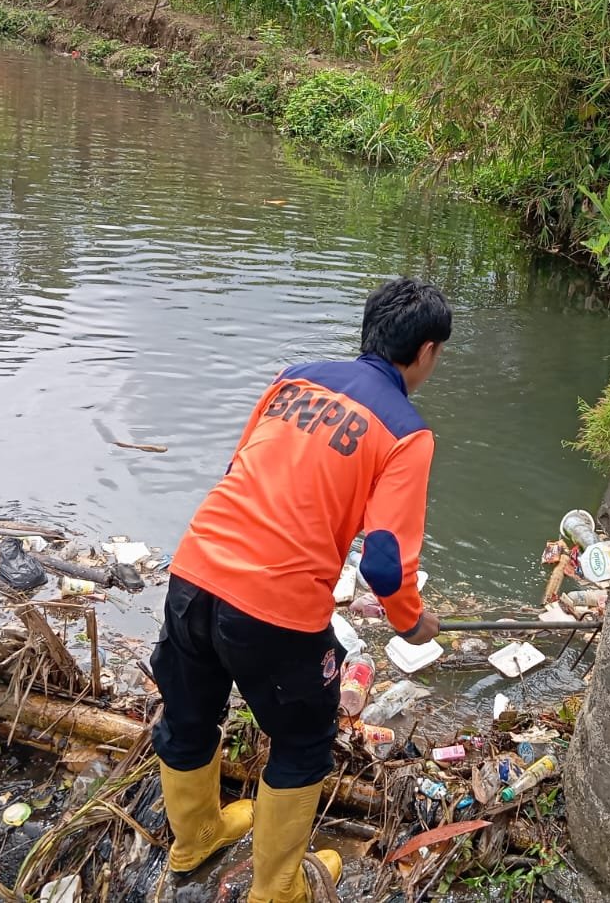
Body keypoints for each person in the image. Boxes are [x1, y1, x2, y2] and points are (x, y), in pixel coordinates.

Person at [150, 278, 449, 902]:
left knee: (189, 711)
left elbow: (240, 469)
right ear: (425, 352)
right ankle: (277, 888)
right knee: (303, 739)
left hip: (195, 572)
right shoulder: (406, 433)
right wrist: (409, 622)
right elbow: (387, 567)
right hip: (275, 609)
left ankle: (195, 838)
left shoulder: (292, 377)